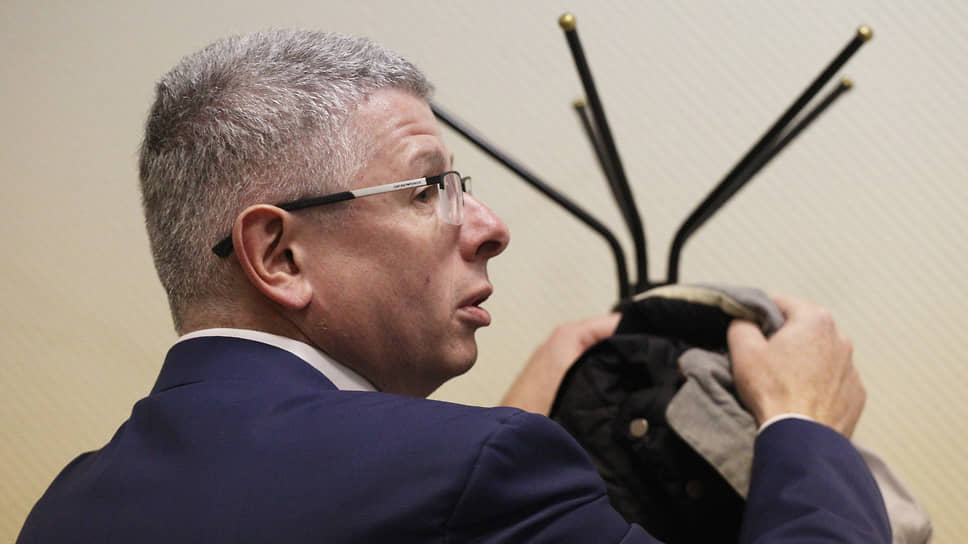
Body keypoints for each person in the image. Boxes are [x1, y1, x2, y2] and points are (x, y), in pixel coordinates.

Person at [17, 29, 889, 543]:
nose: (490, 226)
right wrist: (804, 428)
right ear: (278, 255)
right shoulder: (481, 469)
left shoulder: (64, 510)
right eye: (428, 188)